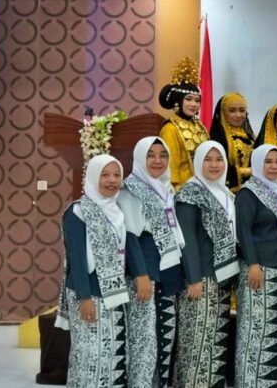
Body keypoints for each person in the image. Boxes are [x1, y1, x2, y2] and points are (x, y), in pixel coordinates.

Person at [55, 154, 131, 388]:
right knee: (89, 355)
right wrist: (84, 298)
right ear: (92, 177)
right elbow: (77, 260)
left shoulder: (117, 212)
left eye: (116, 175)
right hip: (88, 293)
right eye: (104, 175)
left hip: (114, 294)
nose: (112, 180)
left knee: (111, 356)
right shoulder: (77, 212)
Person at [117, 137, 188, 388]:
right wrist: (141, 275)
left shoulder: (166, 189)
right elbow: (130, 236)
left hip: (166, 274)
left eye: (163, 155)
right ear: (139, 158)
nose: (158, 161)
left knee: (163, 339)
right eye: (150, 155)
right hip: (145, 277)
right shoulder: (130, 189)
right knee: (144, 342)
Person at [173, 141, 240, 388]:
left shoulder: (225, 193)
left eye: (219, 159)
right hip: (200, 280)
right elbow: (186, 239)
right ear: (198, 162)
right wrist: (193, 278)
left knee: (214, 341)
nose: (214, 165)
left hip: (221, 279)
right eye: (208, 159)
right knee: (196, 342)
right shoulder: (189, 194)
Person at [234, 145, 277, 387]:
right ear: (258, 163)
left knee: (274, 333)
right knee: (255, 333)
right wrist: (253, 263)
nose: (274, 166)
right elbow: (243, 231)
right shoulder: (248, 194)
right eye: (268, 161)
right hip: (259, 269)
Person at [158, 78, 210, 189]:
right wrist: (176, 191)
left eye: (197, 100)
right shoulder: (170, 129)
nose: (193, 104)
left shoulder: (199, 126)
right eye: (188, 99)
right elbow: (171, 166)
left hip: (205, 186)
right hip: (183, 189)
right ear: (178, 101)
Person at [209, 92, 256, 193]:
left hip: (252, 190)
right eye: (232, 111)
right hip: (226, 191)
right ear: (224, 113)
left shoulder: (251, 137)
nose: (238, 115)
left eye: (242, 110)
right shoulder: (218, 138)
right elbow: (217, 167)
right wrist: (248, 171)